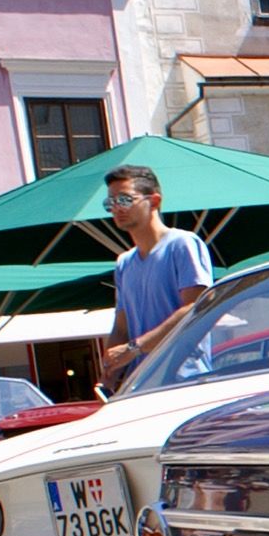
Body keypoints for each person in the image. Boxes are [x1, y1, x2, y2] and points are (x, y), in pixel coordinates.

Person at [102, 164, 212, 384]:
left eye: (124, 200)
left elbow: (196, 307)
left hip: (185, 378)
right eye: (110, 202)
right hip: (141, 382)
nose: (116, 208)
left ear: (154, 201)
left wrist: (135, 347)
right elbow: (122, 326)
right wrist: (109, 369)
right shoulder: (124, 263)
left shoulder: (182, 244)